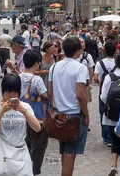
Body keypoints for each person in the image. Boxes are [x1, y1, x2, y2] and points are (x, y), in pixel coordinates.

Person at [0, 73, 41, 176]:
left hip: (19, 154)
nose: (11, 95)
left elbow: (37, 128)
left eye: (15, 92)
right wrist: (2, 111)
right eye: (8, 92)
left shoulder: (25, 107)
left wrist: (24, 112)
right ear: (3, 91)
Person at [48, 37, 89, 176]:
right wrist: (87, 115)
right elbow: (81, 95)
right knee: (70, 154)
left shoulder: (54, 67)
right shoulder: (80, 68)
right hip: (75, 116)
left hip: (59, 115)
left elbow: (50, 92)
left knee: (65, 152)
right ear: (77, 51)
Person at [100, 51, 120, 176]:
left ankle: (114, 165)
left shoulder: (109, 77)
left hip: (111, 116)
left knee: (114, 142)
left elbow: (103, 96)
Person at [20, 49, 49, 175]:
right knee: (37, 147)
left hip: (21, 116)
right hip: (35, 118)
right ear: (36, 63)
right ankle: (33, 171)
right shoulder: (36, 80)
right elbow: (45, 96)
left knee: (23, 144)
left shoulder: (18, 76)